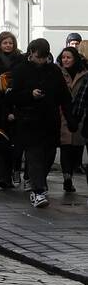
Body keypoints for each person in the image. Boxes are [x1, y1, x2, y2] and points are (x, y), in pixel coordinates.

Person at [8, 39, 78, 208]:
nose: (40, 61)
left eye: (44, 58)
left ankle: (40, 183)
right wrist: (30, 95)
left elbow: (64, 97)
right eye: (38, 57)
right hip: (29, 121)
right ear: (31, 53)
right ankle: (37, 191)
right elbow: (12, 96)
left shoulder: (54, 70)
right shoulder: (20, 70)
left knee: (48, 155)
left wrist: (70, 120)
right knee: (35, 156)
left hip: (50, 121)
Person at [0, 31, 26, 189]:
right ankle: (3, 175)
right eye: (5, 43)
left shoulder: (21, 60)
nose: (8, 45)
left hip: (17, 104)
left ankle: (15, 170)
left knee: (17, 144)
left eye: (10, 42)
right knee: (0, 143)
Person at [58, 46, 87, 192]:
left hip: (79, 114)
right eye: (63, 57)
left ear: (75, 59)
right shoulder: (57, 72)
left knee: (77, 147)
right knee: (65, 147)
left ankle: (74, 169)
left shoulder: (84, 73)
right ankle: (67, 177)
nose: (65, 60)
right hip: (62, 113)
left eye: (68, 57)